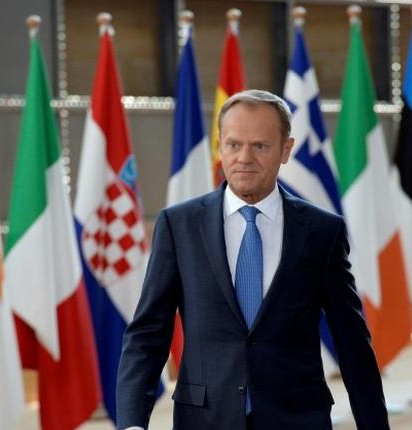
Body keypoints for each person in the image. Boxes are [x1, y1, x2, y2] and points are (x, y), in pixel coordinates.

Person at [116, 89, 390, 430]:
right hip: (204, 419)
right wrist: (131, 424)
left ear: (285, 150)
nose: (244, 157)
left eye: (259, 146)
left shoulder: (322, 232)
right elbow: (147, 335)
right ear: (220, 146)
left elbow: (352, 344)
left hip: (298, 419)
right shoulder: (179, 226)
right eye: (233, 144)